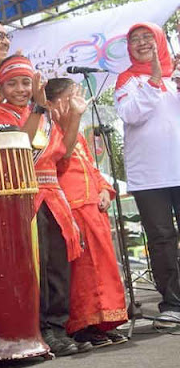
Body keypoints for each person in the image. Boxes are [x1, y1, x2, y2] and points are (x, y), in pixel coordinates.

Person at [0, 55, 90, 357]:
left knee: (58, 266)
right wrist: (39, 108)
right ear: (0, 87)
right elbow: (18, 147)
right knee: (36, 267)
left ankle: (58, 328)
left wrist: (75, 116)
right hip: (23, 198)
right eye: (12, 83)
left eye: (26, 82)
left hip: (53, 195)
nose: (20, 89)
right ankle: (40, 330)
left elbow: (63, 153)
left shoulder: (42, 114)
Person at [47, 78, 128, 346]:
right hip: (72, 209)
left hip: (94, 209)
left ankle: (103, 323)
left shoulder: (77, 134)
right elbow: (60, 163)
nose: (77, 101)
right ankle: (82, 326)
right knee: (83, 273)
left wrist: (105, 190)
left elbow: (92, 169)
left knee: (103, 271)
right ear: (56, 103)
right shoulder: (51, 132)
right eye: (72, 97)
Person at [114, 22, 180, 325]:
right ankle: (173, 304)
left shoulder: (175, 77)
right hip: (150, 175)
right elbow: (130, 114)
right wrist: (153, 78)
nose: (142, 43)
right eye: (135, 39)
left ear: (160, 41)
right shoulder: (126, 80)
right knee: (162, 237)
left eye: (147, 37)